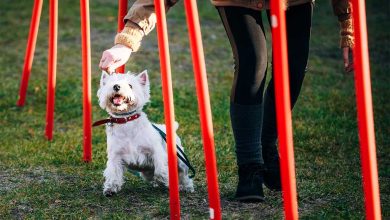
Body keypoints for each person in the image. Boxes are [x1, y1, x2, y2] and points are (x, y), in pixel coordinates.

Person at [99, 0, 354, 202]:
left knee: (293, 69)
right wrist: (127, 41)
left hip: (295, 2)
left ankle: (266, 144)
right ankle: (250, 166)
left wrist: (348, 25)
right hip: (238, 2)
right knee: (253, 64)